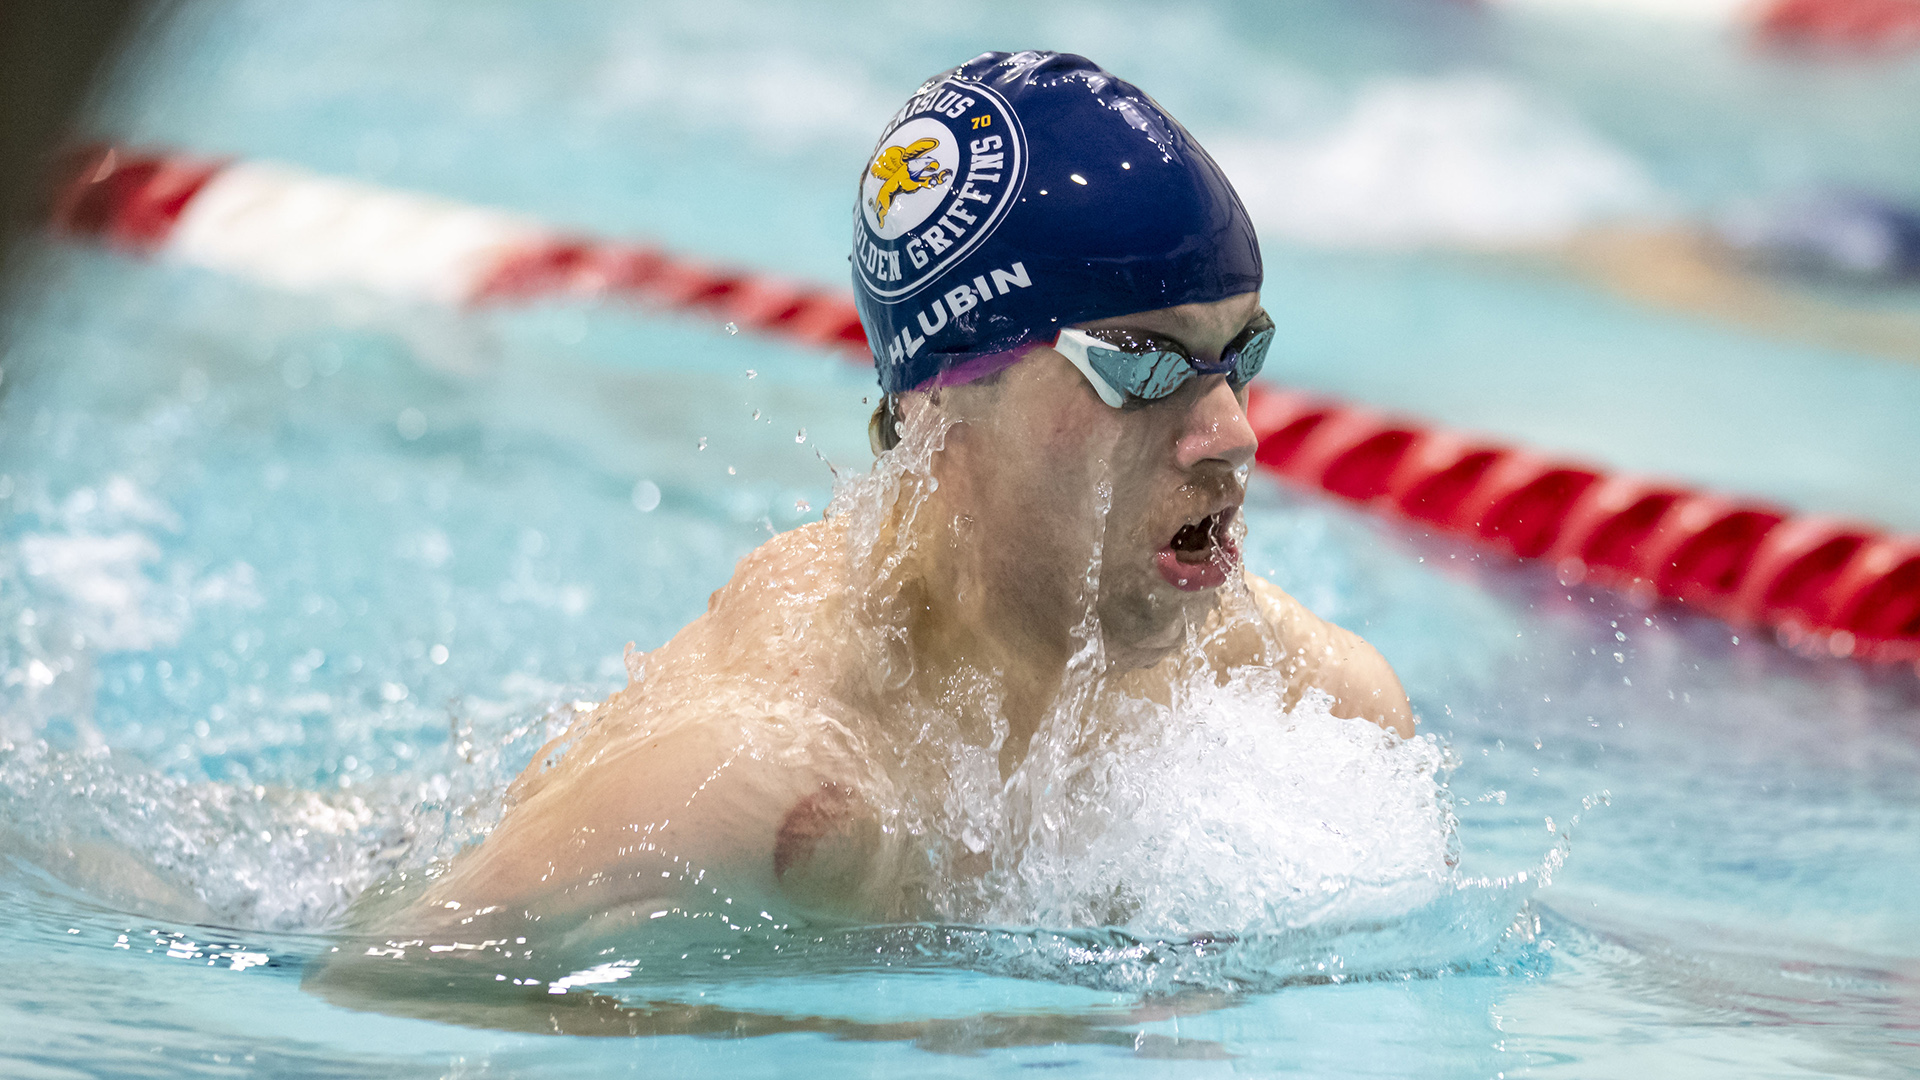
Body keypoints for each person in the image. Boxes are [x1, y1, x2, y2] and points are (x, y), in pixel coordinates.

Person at [313, 51, 1411, 980]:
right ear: (946, 403)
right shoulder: (772, 792)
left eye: (1240, 354)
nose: (1232, 431)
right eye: (1143, 365)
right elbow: (375, 990)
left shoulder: (1311, 707)